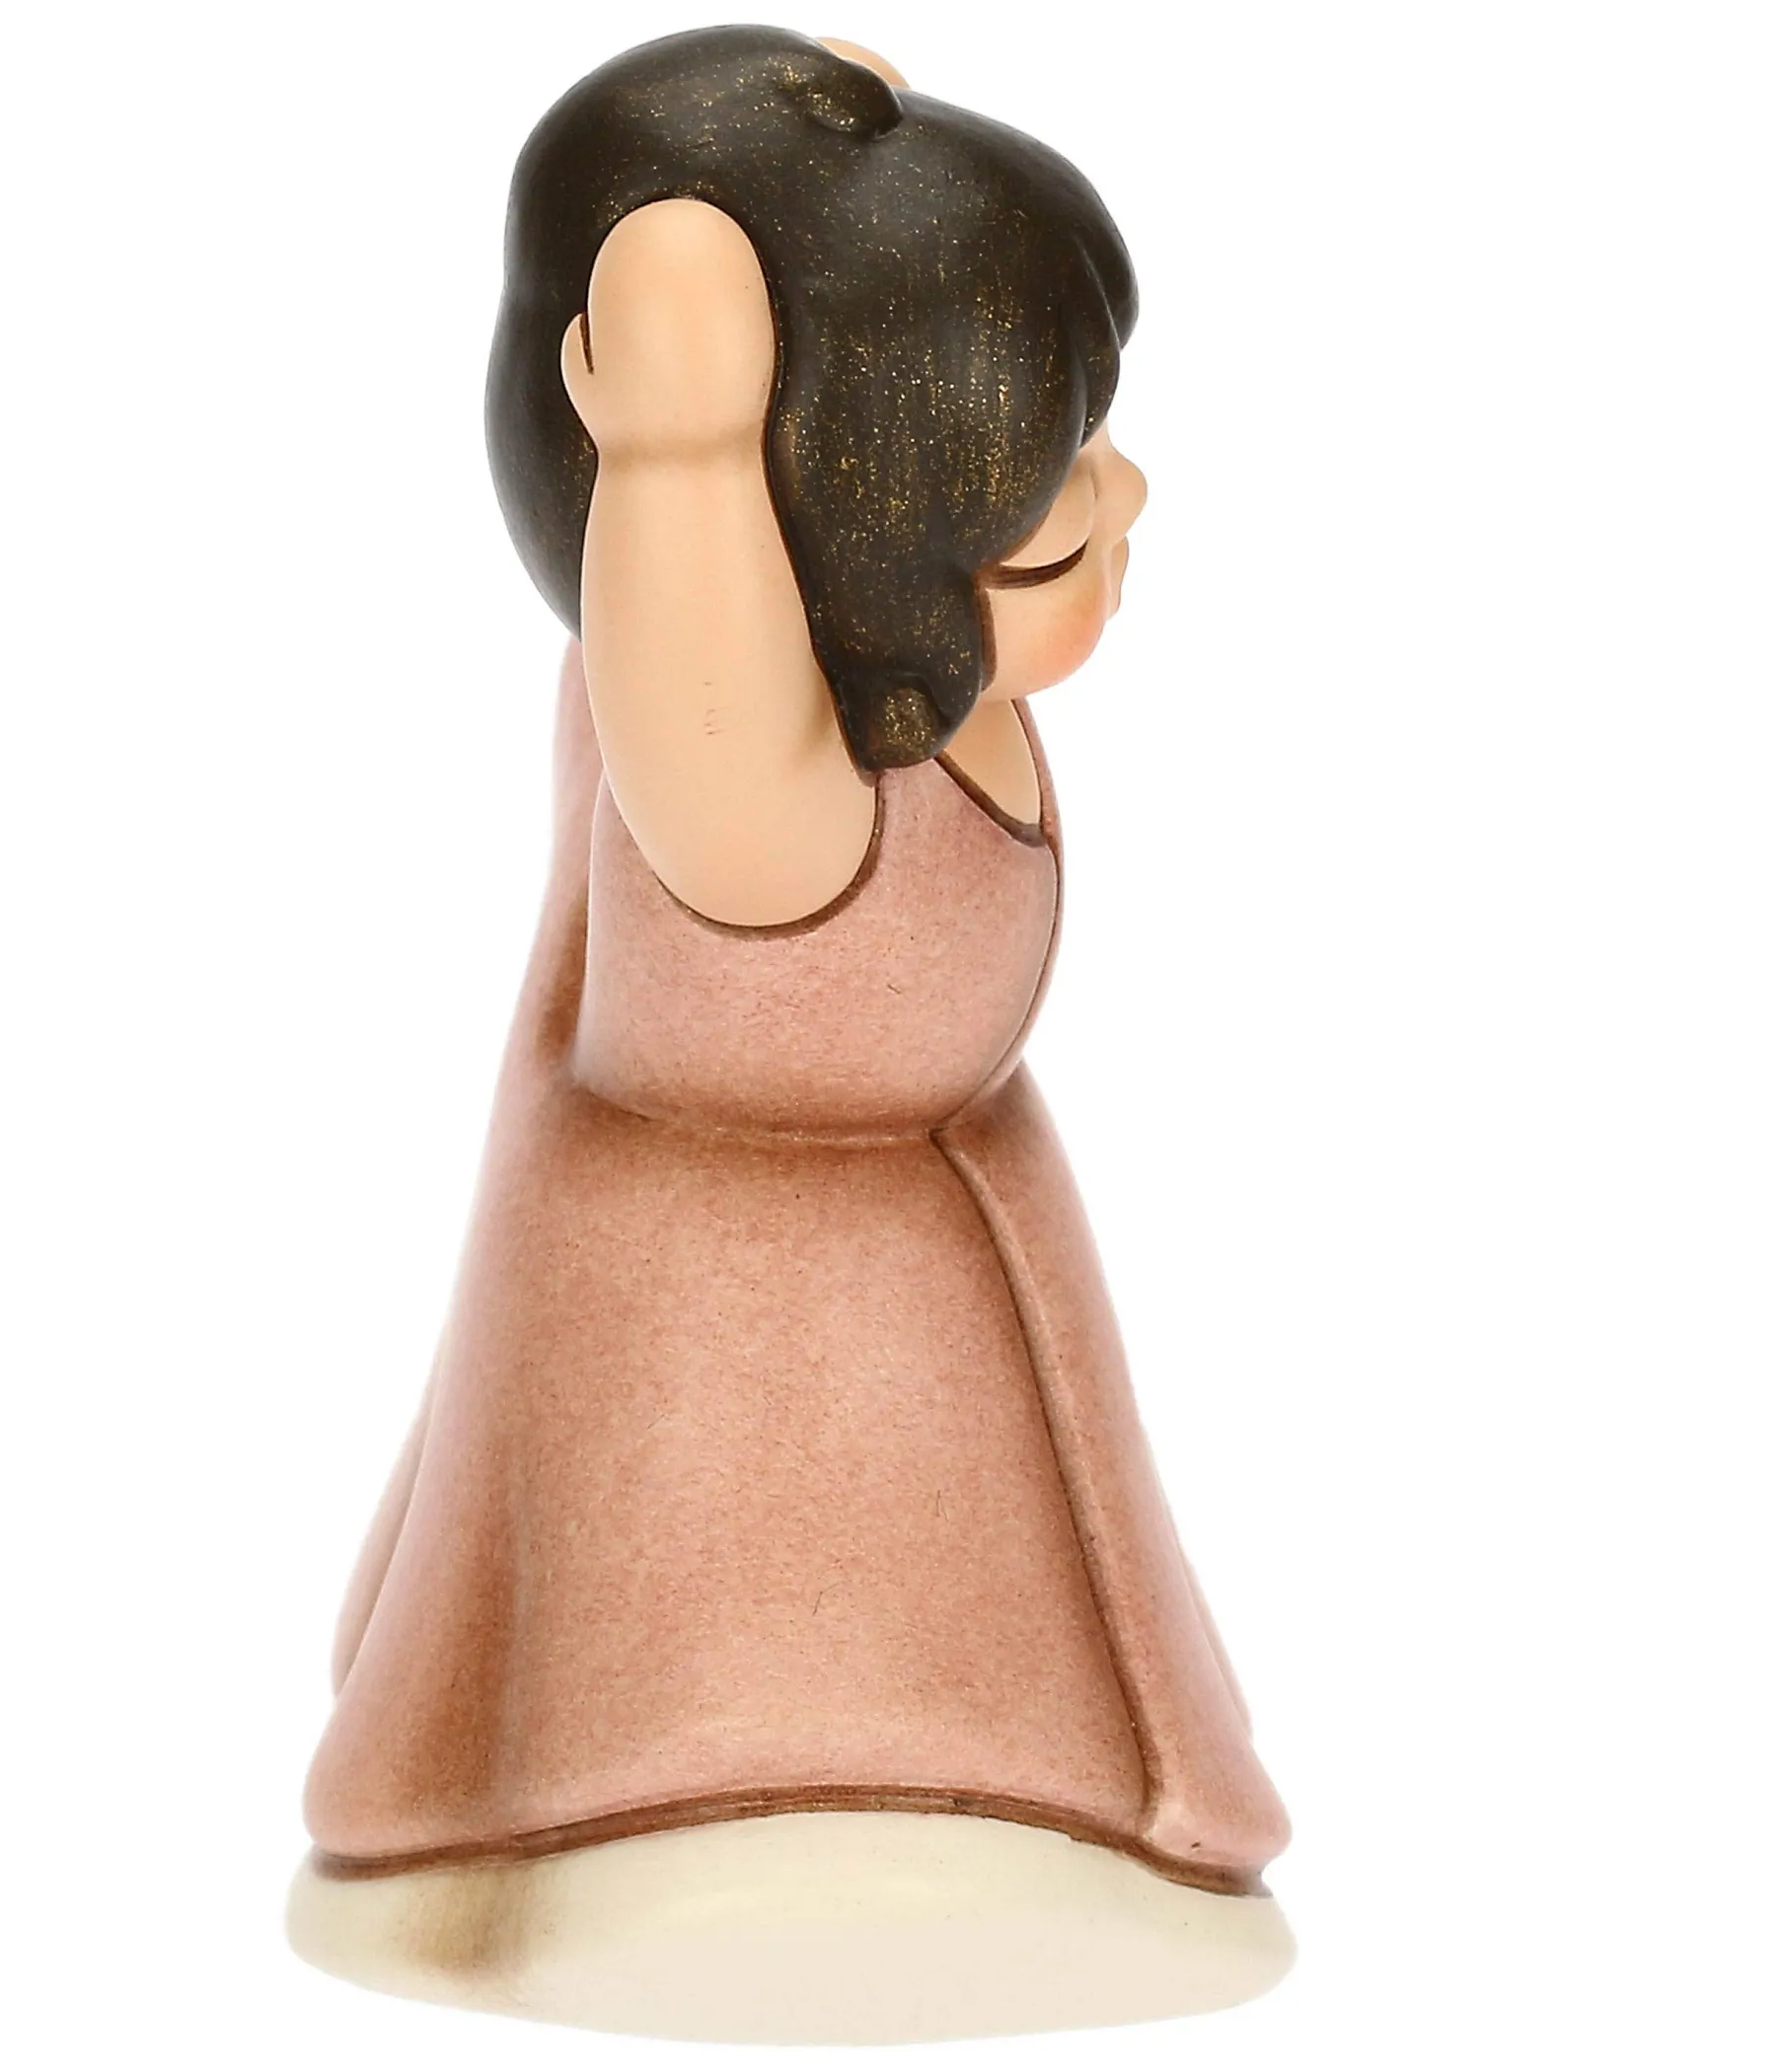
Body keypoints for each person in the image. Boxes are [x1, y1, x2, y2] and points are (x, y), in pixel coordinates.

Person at [289, 28, 1292, 2041]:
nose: (1127, 496)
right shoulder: (756, 815)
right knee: (771, 1664)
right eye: (1051, 518)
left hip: (911, 1272)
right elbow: (705, 661)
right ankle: (757, 1836)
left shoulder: (907, 721)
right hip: (747, 1327)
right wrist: (681, 450)